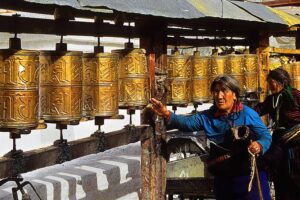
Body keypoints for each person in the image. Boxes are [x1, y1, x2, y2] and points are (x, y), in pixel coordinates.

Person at [150, 75, 272, 200]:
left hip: (249, 178)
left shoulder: (247, 113)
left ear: (234, 95)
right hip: (224, 178)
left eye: (224, 91)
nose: (219, 96)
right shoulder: (207, 117)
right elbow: (187, 123)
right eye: (216, 91)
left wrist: (259, 145)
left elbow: (265, 137)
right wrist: (166, 113)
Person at [254, 67, 300, 200]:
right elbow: (257, 110)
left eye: (271, 82)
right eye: (269, 83)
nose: (270, 86)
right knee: (280, 176)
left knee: (295, 177)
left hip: (296, 141)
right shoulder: (271, 99)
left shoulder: (295, 95)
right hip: (280, 141)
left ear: (282, 82)